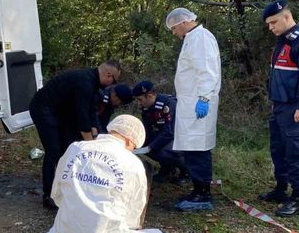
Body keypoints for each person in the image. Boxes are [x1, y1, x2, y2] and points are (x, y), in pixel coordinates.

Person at [29, 60, 122, 210]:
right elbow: (82, 117)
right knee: (54, 150)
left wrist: (96, 132)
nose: (113, 84)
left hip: (60, 111)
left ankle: (65, 187)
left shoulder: (92, 82)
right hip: (43, 108)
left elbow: (90, 110)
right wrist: (91, 147)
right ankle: (48, 195)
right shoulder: (85, 82)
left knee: (66, 148)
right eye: (114, 80)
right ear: (108, 75)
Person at [48, 115, 162, 233]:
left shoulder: (76, 148)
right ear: (129, 141)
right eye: (133, 148)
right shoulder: (133, 163)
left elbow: (57, 191)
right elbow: (133, 214)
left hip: (65, 228)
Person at [259, 0, 299, 217]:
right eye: (268, 24)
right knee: (278, 150)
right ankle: (281, 189)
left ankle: (297, 196)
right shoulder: (282, 41)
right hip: (279, 106)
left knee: (296, 152)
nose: (271, 27)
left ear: (286, 16)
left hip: (295, 109)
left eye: (273, 22)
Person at [165, 8, 221, 212]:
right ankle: (198, 189)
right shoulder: (193, 38)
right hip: (190, 102)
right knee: (191, 147)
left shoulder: (201, 38)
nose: (174, 33)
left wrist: (204, 97)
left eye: (174, 28)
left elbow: (207, 70)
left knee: (198, 147)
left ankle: (202, 194)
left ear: (183, 23)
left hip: (199, 103)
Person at [131, 80, 188, 184]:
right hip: (165, 135)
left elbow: (170, 132)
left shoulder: (168, 104)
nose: (138, 104)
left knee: (164, 152)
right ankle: (167, 169)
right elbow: (147, 129)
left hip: (182, 138)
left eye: (140, 99)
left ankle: (186, 171)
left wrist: (150, 147)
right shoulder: (146, 107)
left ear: (150, 96)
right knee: (140, 144)